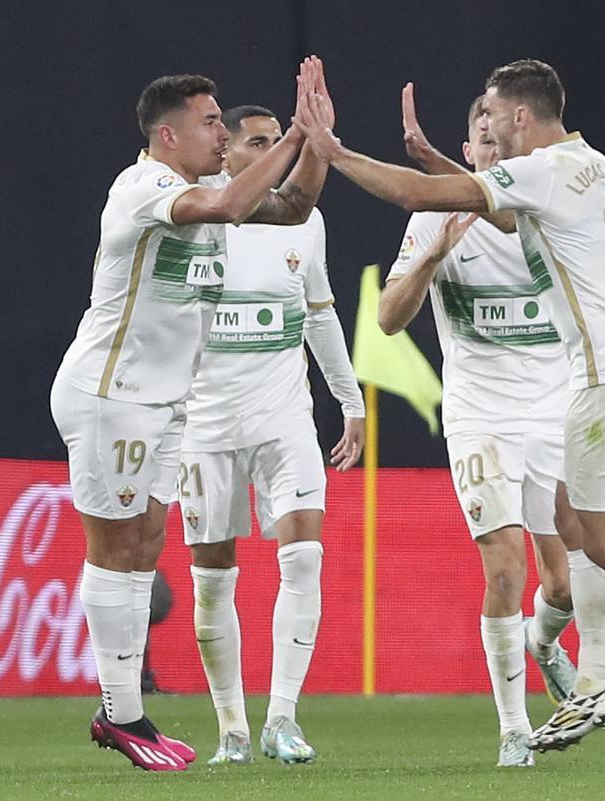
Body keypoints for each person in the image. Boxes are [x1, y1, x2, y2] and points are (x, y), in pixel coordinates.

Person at [294, 58, 605, 750]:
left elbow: (413, 195)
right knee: (590, 529)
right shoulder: (593, 164)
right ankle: (595, 683)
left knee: (603, 542)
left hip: (603, 375)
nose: (488, 125)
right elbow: (476, 209)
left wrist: (334, 154)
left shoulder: (538, 172)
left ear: (520, 117)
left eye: (493, 113)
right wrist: (437, 168)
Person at [49, 59, 332, 771]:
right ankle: (121, 713)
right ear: (168, 134)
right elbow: (233, 207)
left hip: (161, 403)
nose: (222, 132)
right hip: (114, 393)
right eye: (211, 122)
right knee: (114, 547)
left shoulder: (204, 186)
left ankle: (125, 711)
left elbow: (292, 209)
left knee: (143, 541)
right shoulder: (143, 188)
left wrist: (316, 143)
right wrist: (291, 136)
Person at [380, 91, 578, 767]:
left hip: (553, 413)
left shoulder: (545, 210)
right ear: (469, 153)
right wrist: (433, 253)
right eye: (483, 144)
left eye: (503, 143)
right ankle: (514, 728)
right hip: (480, 420)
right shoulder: (435, 216)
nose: (495, 153)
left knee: (566, 585)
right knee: (503, 571)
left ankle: (542, 641)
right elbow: (386, 317)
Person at [178, 104, 365, 767]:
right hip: (204, 427)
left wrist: (351, 399)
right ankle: (230, 727)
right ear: (225, 151)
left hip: (285, 418)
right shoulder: (197, 215)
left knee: (305, 556)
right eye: (255, 142)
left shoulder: (302, 223)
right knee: (211, 582)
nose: (268, 153)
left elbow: (319, 316)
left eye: (273, 142)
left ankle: (281, 717)